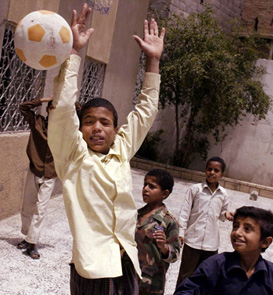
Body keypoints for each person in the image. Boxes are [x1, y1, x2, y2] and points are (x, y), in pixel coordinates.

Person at [47, 3, 165, 294]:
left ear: (115, 129)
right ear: (80, 127)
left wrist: (153, 62)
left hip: (126, 261)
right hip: (94, 269)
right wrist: (74, 52)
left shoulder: (121, 150)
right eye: (88, 121)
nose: (97, 128)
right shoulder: (73, 155)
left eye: (105, 122)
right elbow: (62, 108)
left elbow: (145, 112)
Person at [174, 206, 273, 294]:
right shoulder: (215, 266)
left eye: (247, 229)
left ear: (265, 242)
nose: (237, 232)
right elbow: (187, 290)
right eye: (235, 226)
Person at [175, 156, 234, 287]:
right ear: (205, 170)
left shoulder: (223, 194)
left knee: (206, 276)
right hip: (192, 241)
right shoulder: (195, 190)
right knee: (185, 275)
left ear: (222, 174)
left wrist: (227, 214)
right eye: (209, 169)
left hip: (211, 243)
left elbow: (222, 214)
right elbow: (185, 212)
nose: (212, 172)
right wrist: (181, 232)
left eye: (216, 170)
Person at [17, 97, 57, 260]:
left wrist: (68, 101)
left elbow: (81, 114)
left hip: (50, 174)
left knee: (41, 210)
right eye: (53, 108)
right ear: (48, 110)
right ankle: (27, 237)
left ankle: (33, 243)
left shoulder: (66, 131)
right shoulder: (37, 122)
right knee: (27, 206)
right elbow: (23, 107)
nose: (56, 112)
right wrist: (44, 99)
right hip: (34, 170)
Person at [136, 169, 180, 294]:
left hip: (151, 285)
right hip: (129, 277)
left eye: (152, 186)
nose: (145, 188)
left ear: (164, 194)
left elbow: (175, 255)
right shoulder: (135, 215)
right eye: (145, 184)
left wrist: (164, 247)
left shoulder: (168, 221)